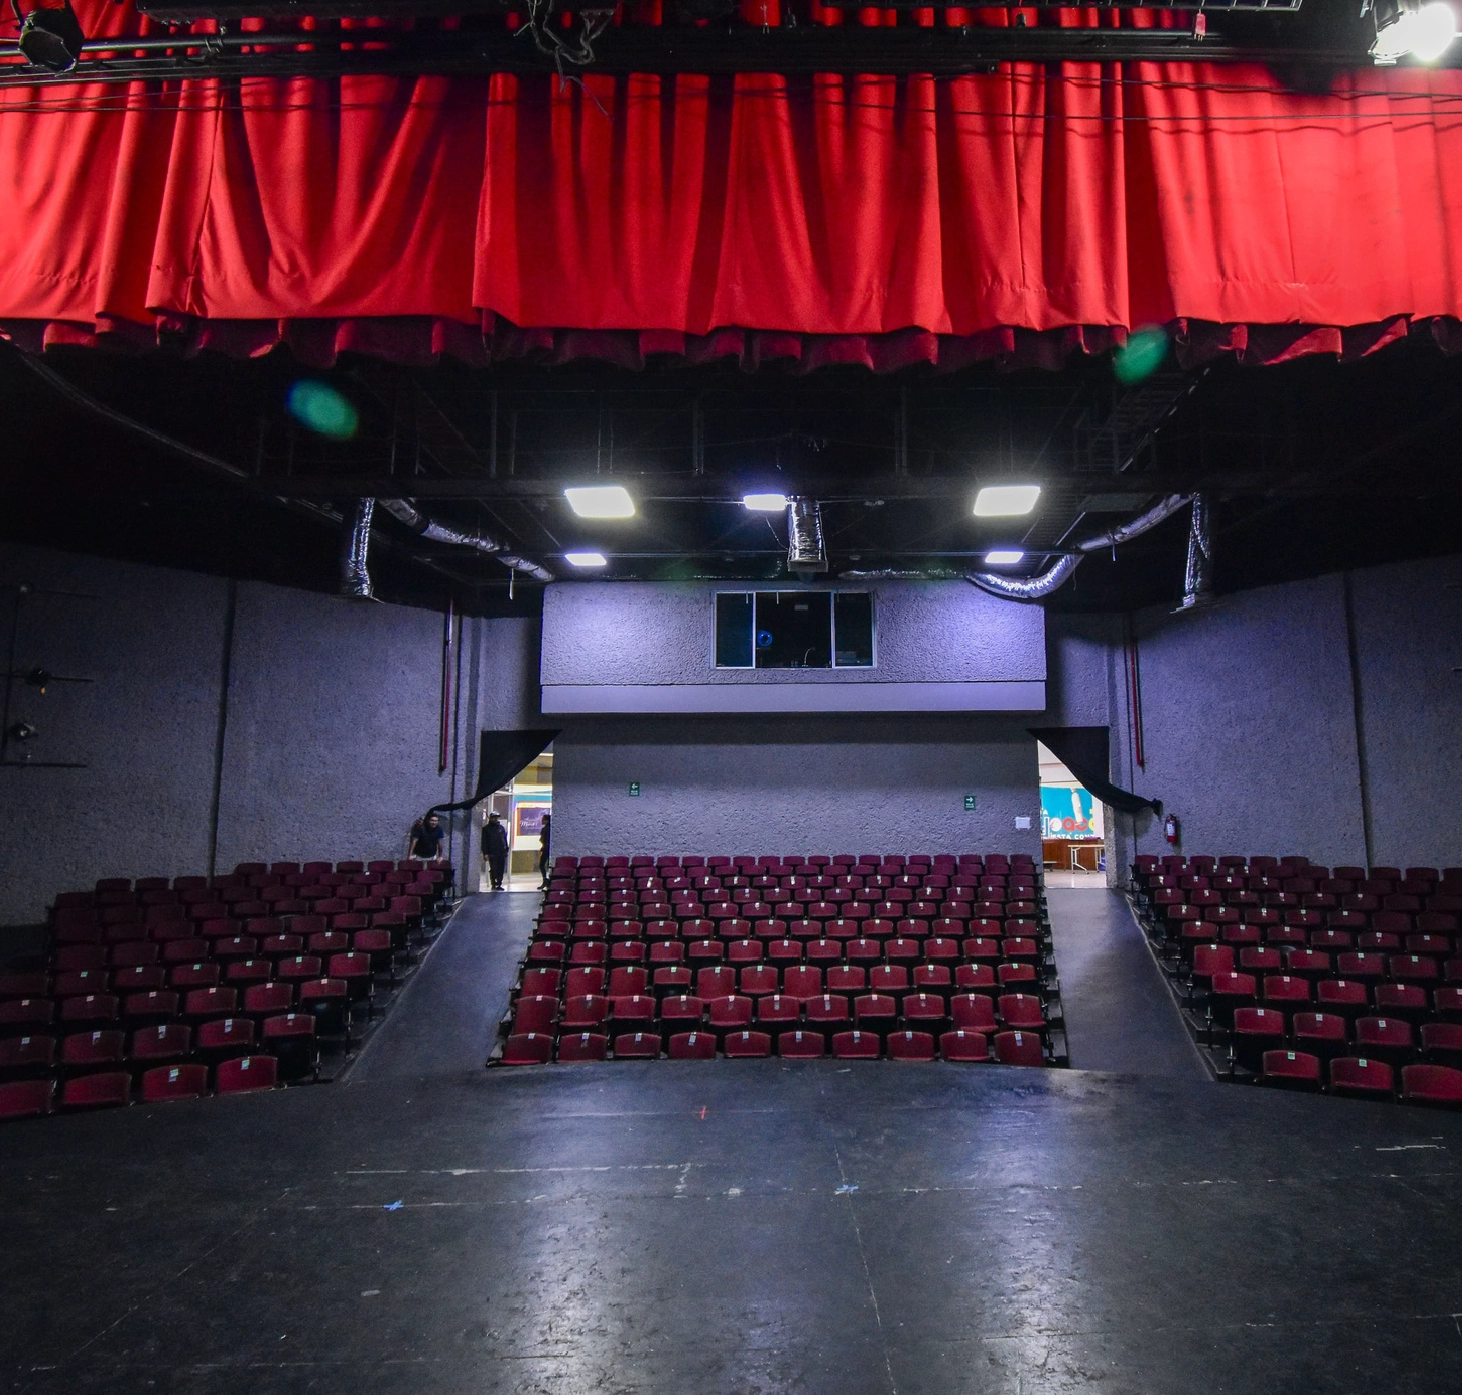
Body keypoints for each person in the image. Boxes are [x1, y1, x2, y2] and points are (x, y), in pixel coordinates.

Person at [482, 811, 509, 891]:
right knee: (494, 868)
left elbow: (504, 839)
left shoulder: (501, 828)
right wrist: (485, 853)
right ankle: (494, 883)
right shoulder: (486, 829)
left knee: (501, 868)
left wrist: (506, 849)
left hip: (501, 852)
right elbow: (484, 842)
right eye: (494, 817)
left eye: (496, 817)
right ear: (490, 818)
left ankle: (499, 883)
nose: (495, 819)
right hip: (492, 852)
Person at [537, 813, 551, 889]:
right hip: (546, 848)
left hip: (546, 849)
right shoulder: (549, 828)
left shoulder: (546, 829)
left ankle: (545, 880)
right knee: (546, 865)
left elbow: (544, 839)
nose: (541, 821)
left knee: (542, 865)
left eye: (543, 819)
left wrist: (543, 847)